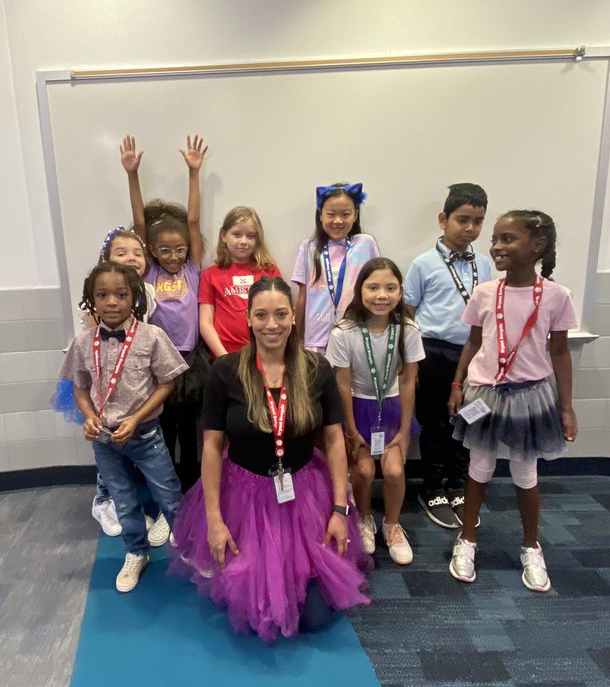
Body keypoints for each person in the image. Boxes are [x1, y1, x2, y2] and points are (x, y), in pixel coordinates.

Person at [171, 276, 371, 641]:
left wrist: (339, 510)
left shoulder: (316, 368)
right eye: (261, 315)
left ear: (293, 316)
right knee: (253, 611)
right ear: (248, 318)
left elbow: (333, 440)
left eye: (280, 314)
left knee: (314, 617)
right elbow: (211, 446)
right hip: (242, 494)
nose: (271, 324)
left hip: (304, 491)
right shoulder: (226, 371)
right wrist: (214, 519)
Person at [447, 210, 578, 593]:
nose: (496, 246)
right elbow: (474, 341)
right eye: (495, 239)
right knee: (479, 466)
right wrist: (457, 382)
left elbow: (560, 352)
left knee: (525, 471)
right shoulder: (486, 292)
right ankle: (467, 539)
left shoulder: (556, 296)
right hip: (484, 393)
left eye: (507, 239)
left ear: (538, 246)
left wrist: (566, 406)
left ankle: (531, 546)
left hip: (530, 395)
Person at [61, 261, 189, 593]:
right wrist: (88, 416)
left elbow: (167, 383)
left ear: (134, 297)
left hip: (145, 435)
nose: (112, 302)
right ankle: (136, 551)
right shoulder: (83, 342)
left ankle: (190, 548)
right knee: (123, 499)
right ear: (91, 299)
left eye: (121, 294)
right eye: (102, 295)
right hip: (105, 440)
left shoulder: (152, 337)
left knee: (169, 495)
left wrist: (136, 417)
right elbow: (79, 387)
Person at [119, 133, 209, 489]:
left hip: (190, 361)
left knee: (190, 430)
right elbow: (140, 226)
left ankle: (192, 487)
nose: (174, 256)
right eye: (166, 250)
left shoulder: (192, 270)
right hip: (159, 364)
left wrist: (193, 173)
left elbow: (194, 224)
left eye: (180, 249)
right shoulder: (150, 272)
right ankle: (166, 489)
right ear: (153, 252)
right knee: (164, 429)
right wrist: (132, 175)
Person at [403, 183, 493, 530]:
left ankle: (457, 484)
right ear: (444, 220)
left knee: (468, 419)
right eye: (462, 220)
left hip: (474, 354)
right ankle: (432, 487)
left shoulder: (484, 264)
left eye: (477, 222)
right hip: (434, 352)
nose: (470, 228)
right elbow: (409, 314)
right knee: (435, 422)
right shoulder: (423, 264)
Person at [326, 258, 424, 563]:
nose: (382, 295)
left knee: (394, 470)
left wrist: (404, 431)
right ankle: (364, 518)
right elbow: (342, 383)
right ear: (360, 290)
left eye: (390, 288)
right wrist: (351, 430)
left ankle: (392, 524)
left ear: (400, 292)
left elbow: (407, 381)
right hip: (357, 408)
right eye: (373, 287)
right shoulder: (344, 331)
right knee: (365, 471)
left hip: (392, 407)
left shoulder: (408, 329)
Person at [291, 182, 380, 354]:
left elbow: (377, 286)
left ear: (355, 215)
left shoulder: (365, 243)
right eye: (331, 214)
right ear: (320, 215)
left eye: (345, 214)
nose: (338, 221)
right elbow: (303, 296)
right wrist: (298, 337)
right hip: (316, 339)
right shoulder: (308, 247)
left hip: (357, 333)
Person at [198, 206, 281, 357]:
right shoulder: (211, 274)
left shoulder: (269, 271)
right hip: (224, 355)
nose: (243, 241)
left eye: (250, 236)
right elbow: (205, 323)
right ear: (224, 235)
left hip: (264, 355)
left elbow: (278, 315)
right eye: (237, 234)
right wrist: (224, 358)